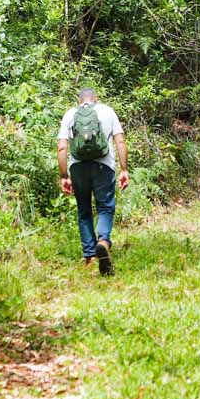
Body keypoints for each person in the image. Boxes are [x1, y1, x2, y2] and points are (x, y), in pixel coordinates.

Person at [57, 87, 129, 275]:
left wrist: (64, 176)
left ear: (79, 100)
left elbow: (62, 148)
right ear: (96, 98)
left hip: (78, 167)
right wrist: (124, 169)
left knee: (84, 210)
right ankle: (103, 241)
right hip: (103, 166)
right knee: (105, 207)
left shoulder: (70, 114)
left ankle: (90, 257)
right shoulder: (107, 111)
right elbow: (120, 141)